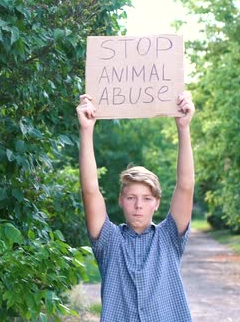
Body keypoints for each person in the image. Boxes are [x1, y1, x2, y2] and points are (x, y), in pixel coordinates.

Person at [76, 91, 195, 322]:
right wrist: (86, 130)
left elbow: (186, 186)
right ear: (120, 200)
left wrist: (183, 128)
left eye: (147, 198)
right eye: (131, 198)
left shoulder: (169, 237)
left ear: (157, 203)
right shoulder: (108, 240)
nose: (138, 205)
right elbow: (90, 190)